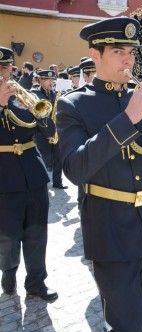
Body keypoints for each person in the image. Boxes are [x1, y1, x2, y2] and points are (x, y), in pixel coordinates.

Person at [57, 17, 142, 332]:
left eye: (131, 51)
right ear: (95, 55)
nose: (128, 59)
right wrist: (129, 118)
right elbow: (74, 168)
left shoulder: (137, 98)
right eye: (117, 51)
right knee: (127, 324)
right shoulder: (73, 105)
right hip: (110, 228)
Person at [0, 46, 58, 301]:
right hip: (3, 179)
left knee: (37, 233)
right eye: (0, 69)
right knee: (7, 235)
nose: (4, 74)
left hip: (33, 175)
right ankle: (8, 271)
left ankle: (36, 282)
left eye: (6, 68)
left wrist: (42, 115)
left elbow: (51, 134)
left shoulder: (24, 98)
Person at [31, 69, 67, 189]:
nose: (50, 82)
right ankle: (40, 184)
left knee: (58, 157)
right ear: (40, 80)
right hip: (41, 132)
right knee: (44, 158)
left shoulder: (55, 93)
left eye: (51, 79)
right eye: (47, 79)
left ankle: (58, 182)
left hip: (55, 131)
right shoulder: (35, 93)